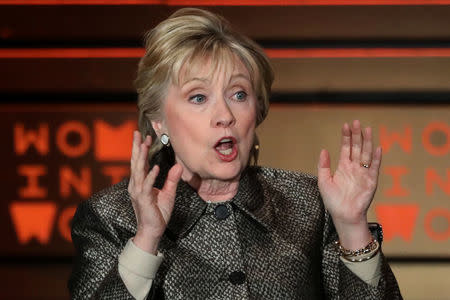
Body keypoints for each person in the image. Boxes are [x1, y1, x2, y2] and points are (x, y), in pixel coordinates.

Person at [68, 8, 402, 300]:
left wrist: (351, 226)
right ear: (159, 122)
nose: (225, 114)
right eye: (198, 97)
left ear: (256, 110)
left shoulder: (310, 205)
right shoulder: (111, 216)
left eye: (239, 94)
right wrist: (146, 241)